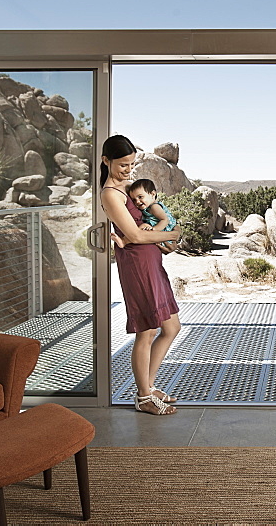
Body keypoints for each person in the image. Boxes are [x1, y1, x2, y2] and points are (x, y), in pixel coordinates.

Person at [99, 134, 182, 415]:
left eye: (131, 164)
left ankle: (148, 384)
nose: (128, 170)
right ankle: (144, 397)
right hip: (136, 266)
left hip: (151, 262)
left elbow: (148, 220)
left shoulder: (127, 187)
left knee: (171, 328)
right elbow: (133, 235)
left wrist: (162, 237)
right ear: (105, 161)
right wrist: (172, 234)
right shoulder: (111, 194)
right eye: (122, 164)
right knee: (147, 331)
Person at [111, 178, 178, 253]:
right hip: (161, 234)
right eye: (134, 200)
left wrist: (154, 230)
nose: (138, 201)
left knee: (143, 226)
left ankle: (124, 241)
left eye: (140, 197)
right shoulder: (147, 207)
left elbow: (165, 220)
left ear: (153, 194)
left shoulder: (154, 207)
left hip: (163, 231)